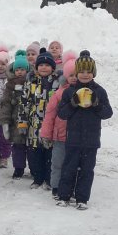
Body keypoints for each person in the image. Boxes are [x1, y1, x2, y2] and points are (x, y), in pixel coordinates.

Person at [56, 50, 113, 210]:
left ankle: (82, 198)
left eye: (89, 71)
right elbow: (62, 114)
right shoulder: (69, 91)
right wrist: (73, 103)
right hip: (73, 140)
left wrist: (96, 104)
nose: (85, 74)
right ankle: (64, 196)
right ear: (76, 72)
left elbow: (108, 113)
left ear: (93, 73)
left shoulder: (99, 92)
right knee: (69, 168)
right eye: (81, 71)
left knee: (87, 170)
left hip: (91, 140)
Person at [17, 48, 60, 189]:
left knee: (49, 155)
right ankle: (37, 178)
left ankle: (48, 179)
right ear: (36, 67)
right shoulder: (30, 83)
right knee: (34, 154)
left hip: (51, 126)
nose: (44, 67)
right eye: (41, 65)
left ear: (53, 68)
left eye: (47, 65)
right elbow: (23, 104)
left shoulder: (56, 84)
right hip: (33, 127)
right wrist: (22, 123)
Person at [39, 51, 78, 198]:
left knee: (73, 165)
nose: (74, 78)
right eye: (71, 75)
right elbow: (50, 115)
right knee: (57, 163)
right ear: (66, 76)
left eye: (76, 74)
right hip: (59, 136)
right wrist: (46, 134)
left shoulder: (84, 92)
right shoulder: (59, 94)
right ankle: (55, 186)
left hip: (76, 137)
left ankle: (71, 187)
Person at [0, 49, 29, 179]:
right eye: (17, 69)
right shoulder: (10, 85)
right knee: (17, 146)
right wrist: (5, 121)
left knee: (32, 148)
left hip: (31, 120)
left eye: (22, 69)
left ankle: (34, 168)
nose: (20, 72)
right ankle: (18, 168)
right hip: (16, 120)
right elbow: (5, 104)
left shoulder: (32, 82)